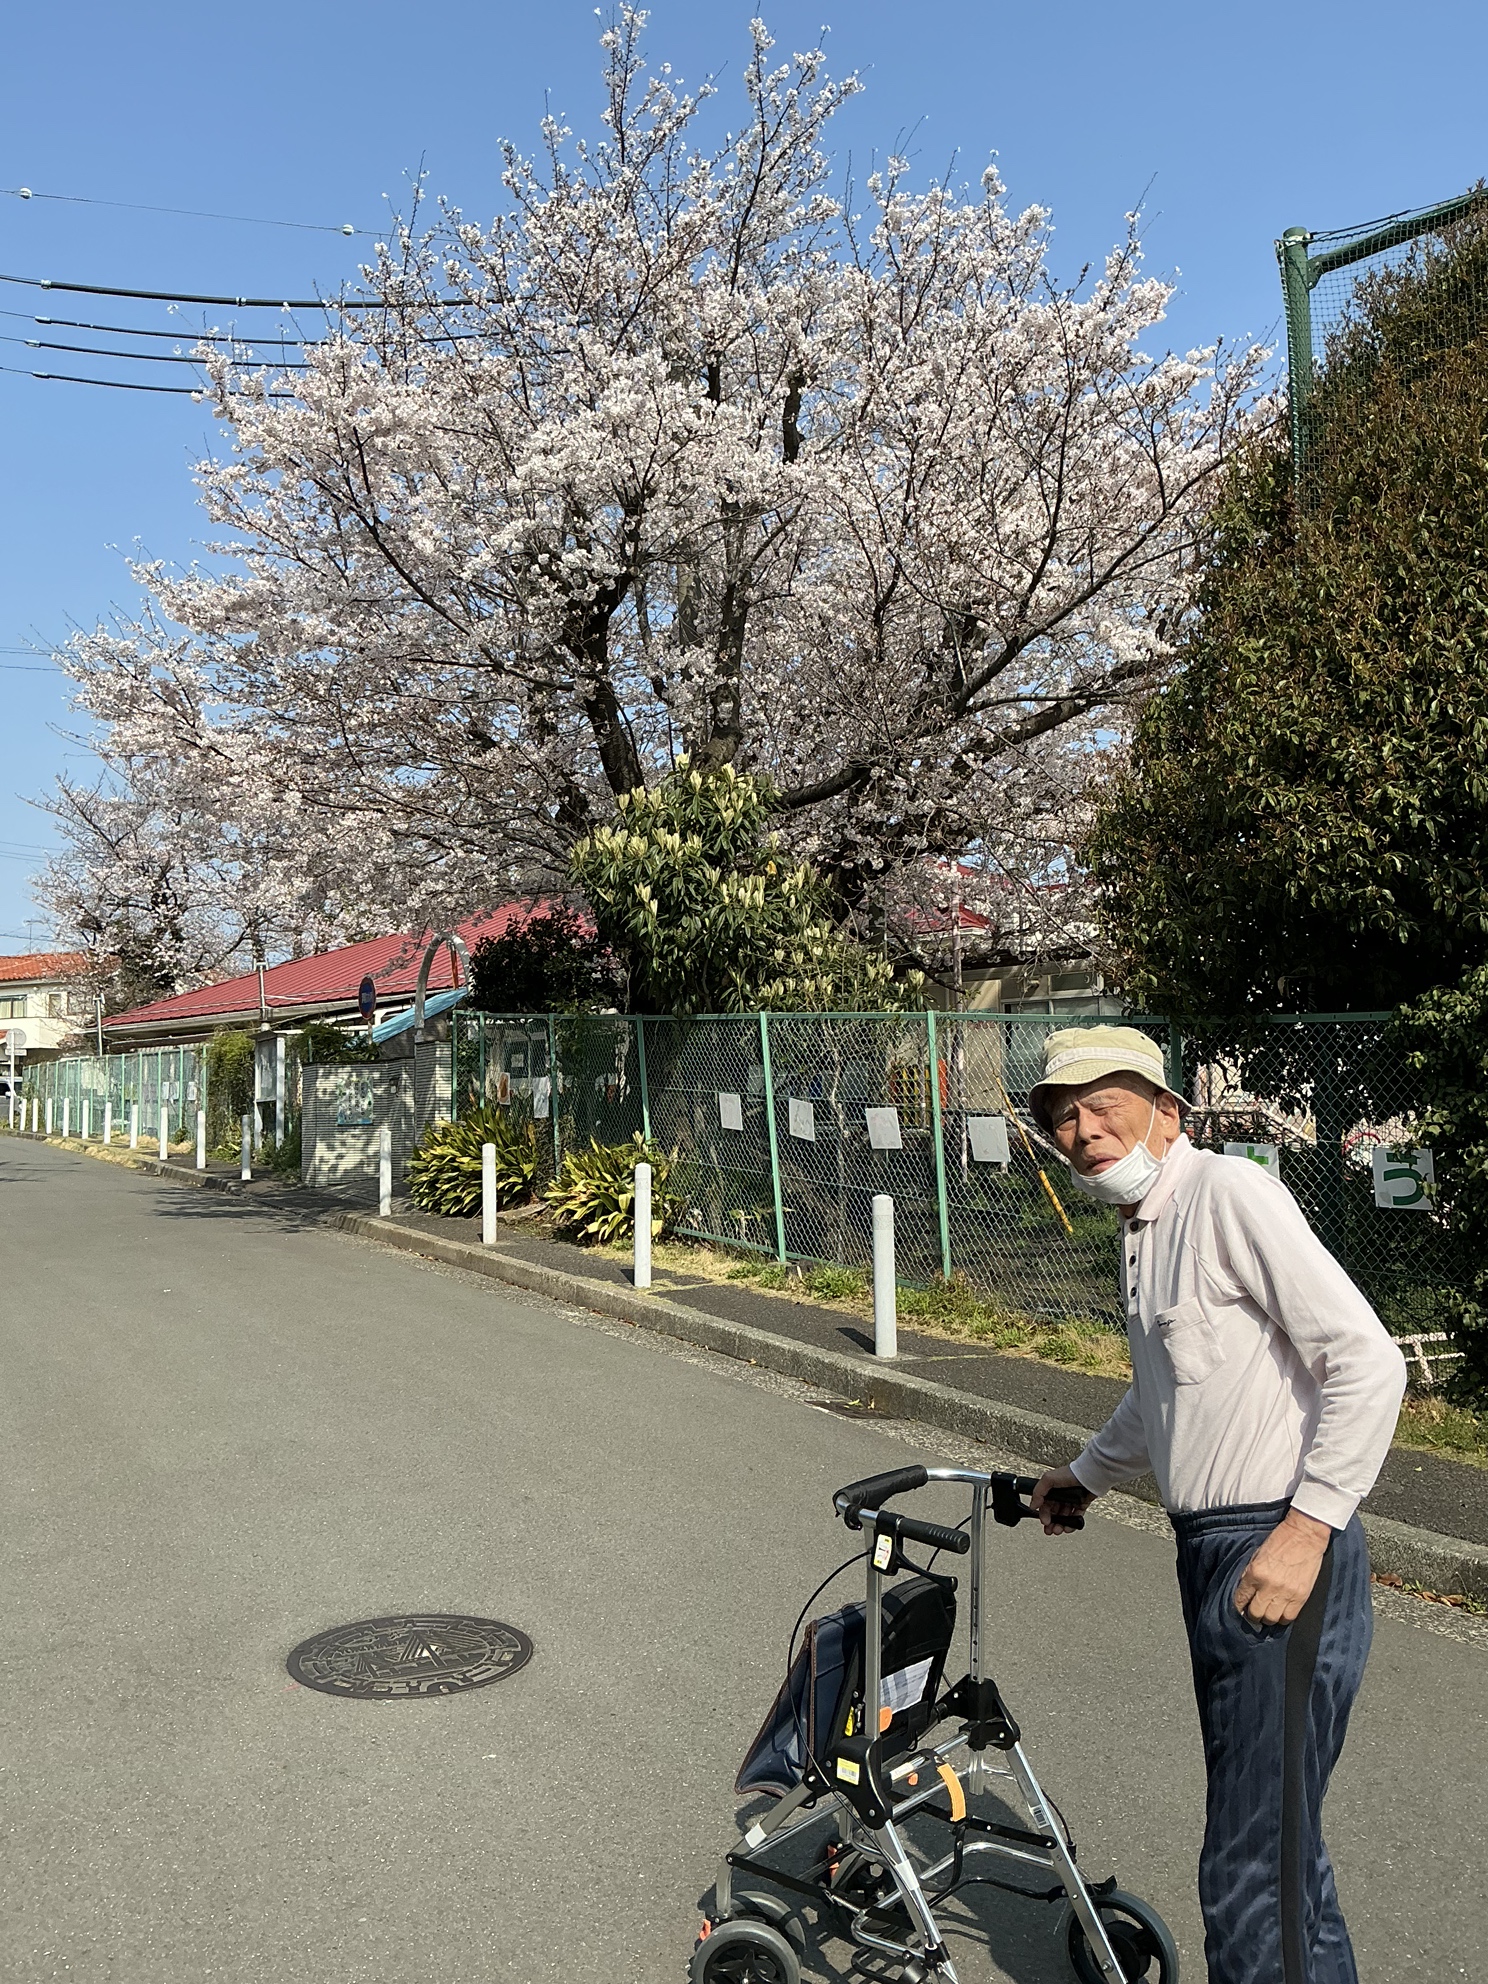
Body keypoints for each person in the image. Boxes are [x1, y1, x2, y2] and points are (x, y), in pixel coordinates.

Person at [1025, 1025, 1406, 1984]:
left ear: (1167, 1111)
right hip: (1211, 1549)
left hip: (1276, 1544)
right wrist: (1085, 1474)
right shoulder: (1143, 1229)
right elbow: (1163, 1394)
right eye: (1062, 1116)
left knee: (1247, 1873)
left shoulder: (1226, 1194)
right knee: (1279, 1851)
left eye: (1103, 1104)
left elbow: (1367, 1360)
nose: (1082, 1129)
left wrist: (1306, 1531)